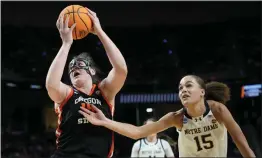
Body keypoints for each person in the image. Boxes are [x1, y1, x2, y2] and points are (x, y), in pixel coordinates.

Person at [79, 75, 256, 157]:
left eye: (188, 86)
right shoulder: (176, 117)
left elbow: (241, 143)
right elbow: (137, 132)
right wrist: (105, 121)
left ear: (202, 92)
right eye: (180, 88)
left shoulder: (217, 110)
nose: (183, 90)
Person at [46, 8, 128, 158]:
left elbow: (121, 69)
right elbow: (51, 84)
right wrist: (66, 44)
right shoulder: (67, 93)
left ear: (92, 71)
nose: (74, 67)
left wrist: (100, 32)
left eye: (80, 64)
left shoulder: (104, 91)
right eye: (71, 67)